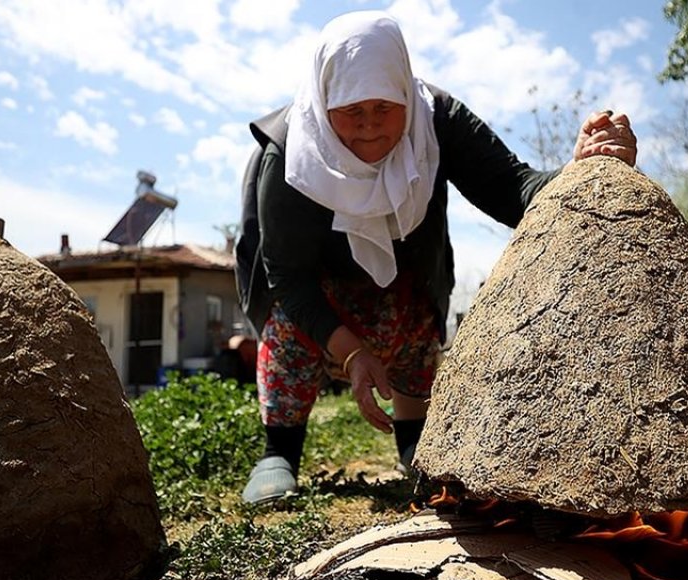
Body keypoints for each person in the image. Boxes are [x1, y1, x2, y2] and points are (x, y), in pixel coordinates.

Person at [234, 11, 637, 504]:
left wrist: (580, 166)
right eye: (350, 110)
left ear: (406, 90)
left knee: (411, 323)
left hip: (403, 286)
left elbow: (513, 190)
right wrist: (353, 353)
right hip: (313, 296)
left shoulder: (436, 121)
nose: (368, 127)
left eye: (384, 107)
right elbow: (288, 279)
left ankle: (415, 443)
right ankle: (279, 451)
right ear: (323, 101)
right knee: (292, 330)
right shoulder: (291, 155)